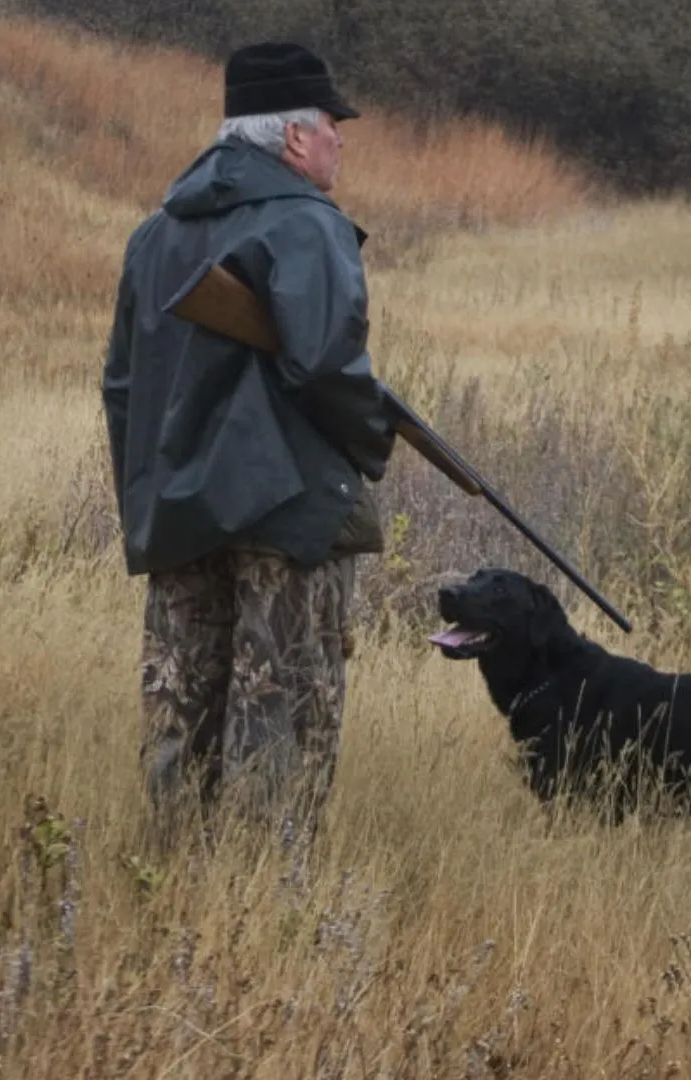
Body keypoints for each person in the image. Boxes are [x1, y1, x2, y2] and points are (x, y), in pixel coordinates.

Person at [100, 41, 397, 850]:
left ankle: (170, 902)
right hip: (288, 516)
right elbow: (328, 364)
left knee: (179, 722)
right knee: (283, 721)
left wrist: (147, 501)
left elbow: (122, 388)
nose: (342, 140)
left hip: (177, 514)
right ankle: (258, 917)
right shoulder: (308, 223)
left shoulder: (155, 233)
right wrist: (374, 439)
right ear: (296, 139)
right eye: (335, 126)